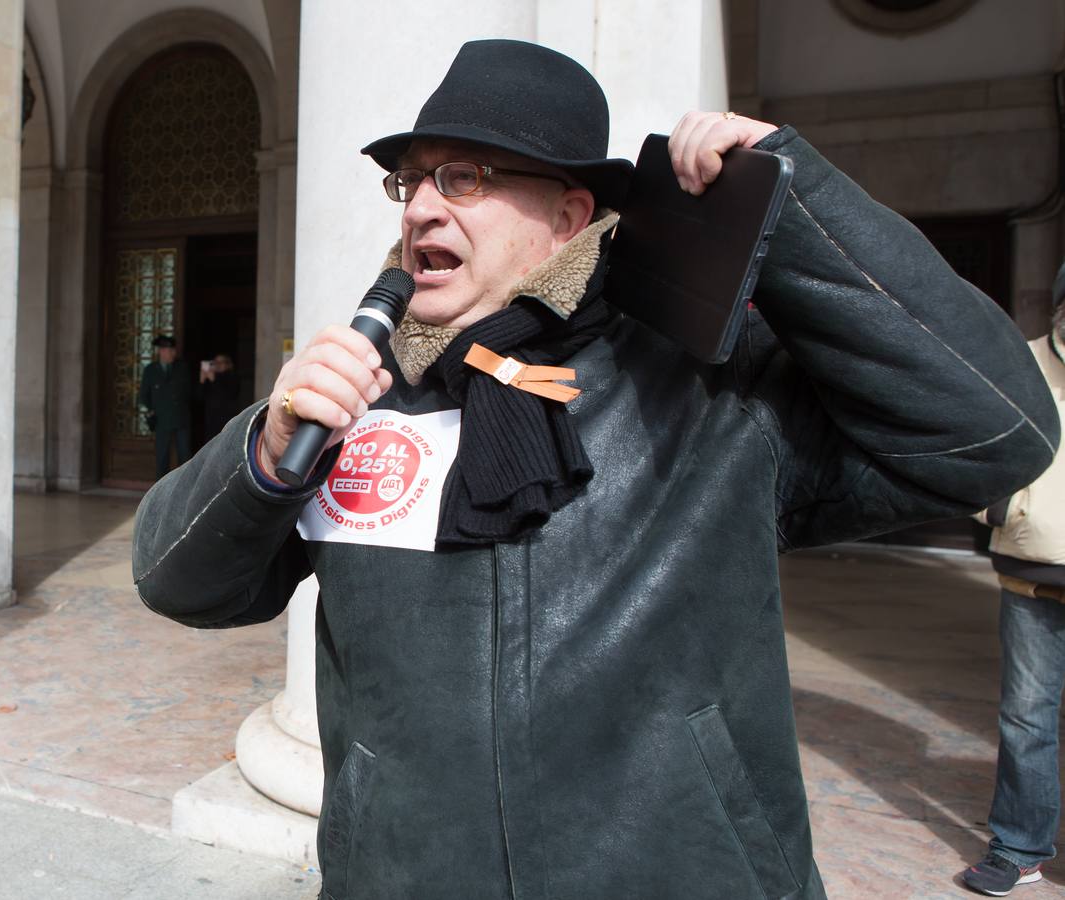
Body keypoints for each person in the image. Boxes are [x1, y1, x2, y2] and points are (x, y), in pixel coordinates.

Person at [132, 40, 1060, 899]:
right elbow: (179, 584)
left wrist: (794, 204)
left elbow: (994, 434)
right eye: (409, 180)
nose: (420, 205)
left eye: (465, 176)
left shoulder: (710, 390)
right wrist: (264, 449)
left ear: (570, 214)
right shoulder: (358, 397)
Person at [961, 263, 1065, 896]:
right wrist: (1002, 509)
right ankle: (1020, 847)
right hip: (1034, 564)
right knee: (1028, 717)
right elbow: (977, 442)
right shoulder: (1021, 361)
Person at [138, 333, 191, 477]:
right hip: (161, 420)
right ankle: (160, 490)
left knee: (185, 456)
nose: (173, 353)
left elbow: (191, 392)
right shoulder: (151, 370)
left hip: (181, 419)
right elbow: (143, 395)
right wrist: (149, 411)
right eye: (169, 350)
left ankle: (185, 488)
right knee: (162, 456)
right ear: (161, 351)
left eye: (173, 350)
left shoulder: (182, 367)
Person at [199, 352, 243, 441]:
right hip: (211, 420)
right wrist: (202, 381)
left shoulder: (232, 377)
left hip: (226, 419)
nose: (218, 365)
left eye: (221, 362)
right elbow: (198, 397)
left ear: (228, 364)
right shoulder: (210, 378)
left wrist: (214, 380)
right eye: (215, 362)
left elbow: (230, 394)